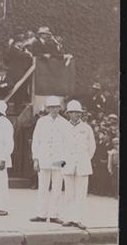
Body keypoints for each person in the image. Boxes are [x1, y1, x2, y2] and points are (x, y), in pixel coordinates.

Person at [30, 96, 72, 224]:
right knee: (43, 187)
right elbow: (36, 141)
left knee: (57, 187)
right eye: (51, 107)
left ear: (60, 108)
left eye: (56, 107)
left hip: (59, 159)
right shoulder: (41, 122)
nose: (54, 109)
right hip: (44, 158)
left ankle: (54, 214)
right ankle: (41, 214)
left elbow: (68, 144)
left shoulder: (65, 123)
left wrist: (65, 161)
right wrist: (36, 159)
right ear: (47, 109)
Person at [60, 100, 96, 229]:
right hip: (68, 164)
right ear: (68, 113)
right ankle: (69, 218)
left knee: (81, 193)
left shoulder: (87, 128)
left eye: (78, 112)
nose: (76, 114)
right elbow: (60, 148)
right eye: (73, 112)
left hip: (82, 164)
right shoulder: (64, 128)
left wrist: (85, 159)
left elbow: (92, 147)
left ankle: (78, 219)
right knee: (69, 193)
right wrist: (63, 164)